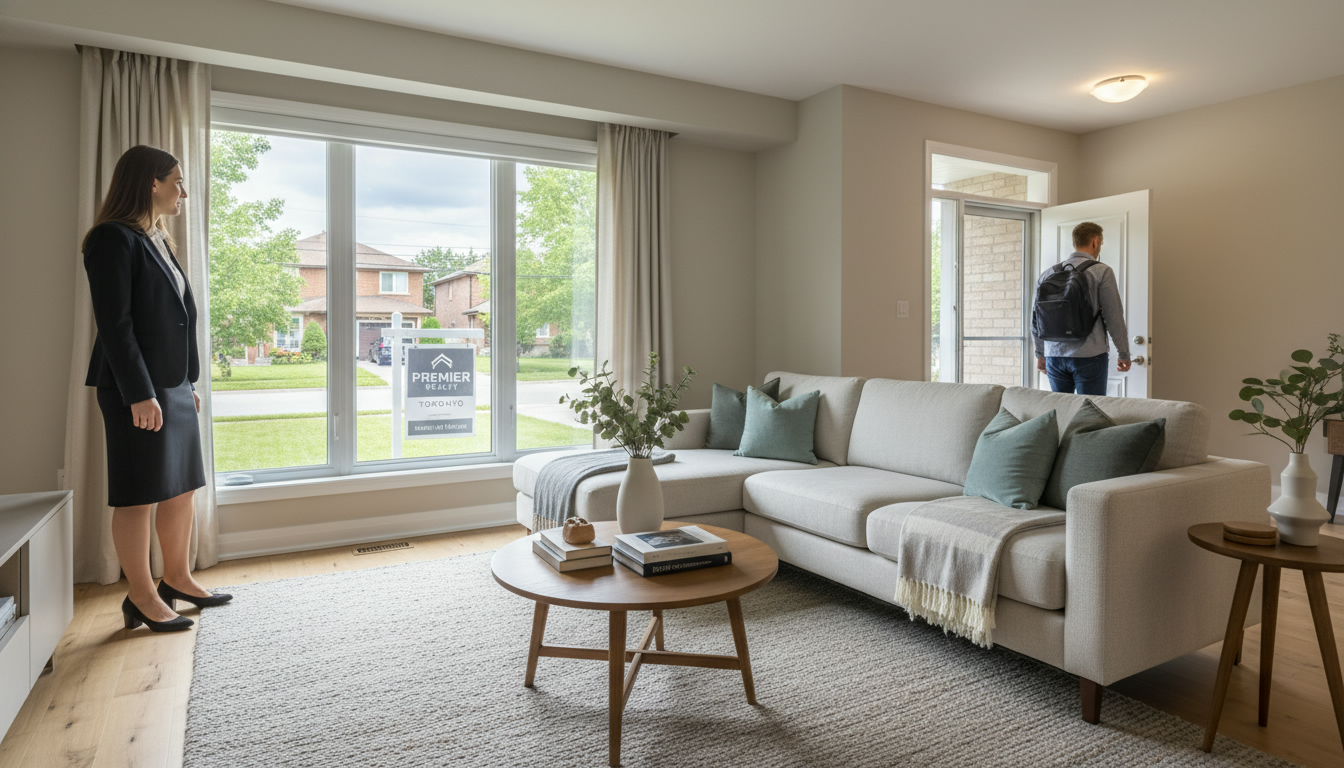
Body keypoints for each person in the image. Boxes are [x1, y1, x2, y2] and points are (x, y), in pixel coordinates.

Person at [82, 145, 232, 633]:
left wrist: (186, 380)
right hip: (135, 388)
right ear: (152, 183)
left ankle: (178, 578)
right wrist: (140, 393)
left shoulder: (158, 239)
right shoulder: (111, 238)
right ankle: (141, 596)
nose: (183, 192)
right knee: (138, 495)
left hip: (171, 385)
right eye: (177, 182)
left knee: (181, 488)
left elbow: (178, 318)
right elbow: (116, 325)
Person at [1032, 221, 1131, 395]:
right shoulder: (1101, 271)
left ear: (1075, 242)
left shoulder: (1048, 273)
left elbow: (1036, 318)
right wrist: (1123, 353)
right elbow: (1113, 316)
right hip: (1090, 355)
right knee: (1090, 408)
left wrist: (1040, 353)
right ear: (1095, 241)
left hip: (1054, 354)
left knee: (1062, 407)